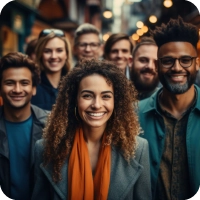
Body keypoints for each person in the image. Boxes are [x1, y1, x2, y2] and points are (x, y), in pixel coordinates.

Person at [32, 59, 152, 200]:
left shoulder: (138, 149)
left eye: (106, 96)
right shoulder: (46, 148)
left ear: (116, 101)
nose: (96, 105)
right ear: (74, 100)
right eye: (87, 96)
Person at [138, 17, 200, 200]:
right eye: (167, 61)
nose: (177, 68)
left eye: (186, 60)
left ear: (197, 63)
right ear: (157, 66)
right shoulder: (134, 115)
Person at [0, 52, 48, 199]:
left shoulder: (52, 126)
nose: (17, 89)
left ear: (34, 89)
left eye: (24, 83)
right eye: (10, 83)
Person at [31, 29, 72, 110]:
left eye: (59, 50)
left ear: (66, 54)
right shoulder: (31, 86)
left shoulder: (74, 86)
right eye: (47, 51)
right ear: (40, 54)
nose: (53, 56)